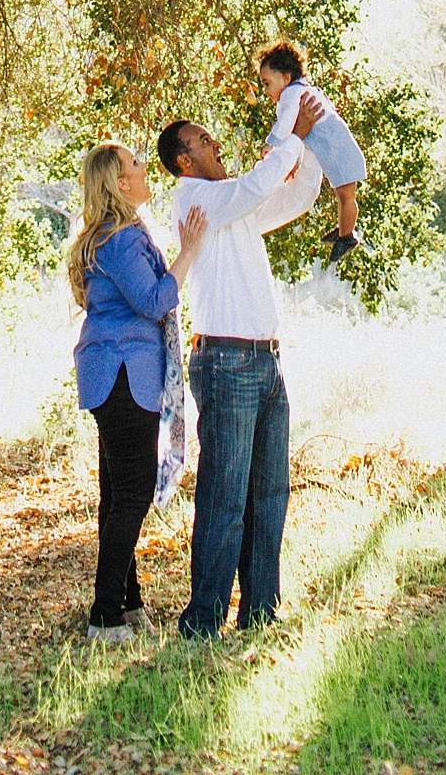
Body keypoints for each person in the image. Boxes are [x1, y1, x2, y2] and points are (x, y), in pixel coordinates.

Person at [155, 93, 324, 640]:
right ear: (184, 160)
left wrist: (316, 139)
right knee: (225, 496)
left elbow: (294, 194)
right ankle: (202, 622)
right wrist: (288, 137)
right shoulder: (194, 200)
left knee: (270, 492)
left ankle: (260, 610)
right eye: (204, 139)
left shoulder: (234, 203)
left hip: (265, 360)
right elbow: (256, 185)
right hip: (226, 361)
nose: (216, 142)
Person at [67, 140, 208, 643]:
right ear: (119, 183)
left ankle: (125, 604)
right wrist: (187, 254)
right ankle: (104, 616)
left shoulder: (114, 236)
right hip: (126, 375)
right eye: (134, 163)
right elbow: (153, 302)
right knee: (131, 492)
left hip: (113, 376)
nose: (145, 167)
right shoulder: (122, 239)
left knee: (117, 492)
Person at [256, 38, 369, 263]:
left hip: (337, 146)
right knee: (343, 194)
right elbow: (302, 135)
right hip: (333, 145)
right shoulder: (301, 91)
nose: (266, 90)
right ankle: (343, 228)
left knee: (346, 195)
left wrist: (272, 142)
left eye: (267, 83)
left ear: (285, 78)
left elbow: (288, 124)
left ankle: (347, 236)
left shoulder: (291, 95)